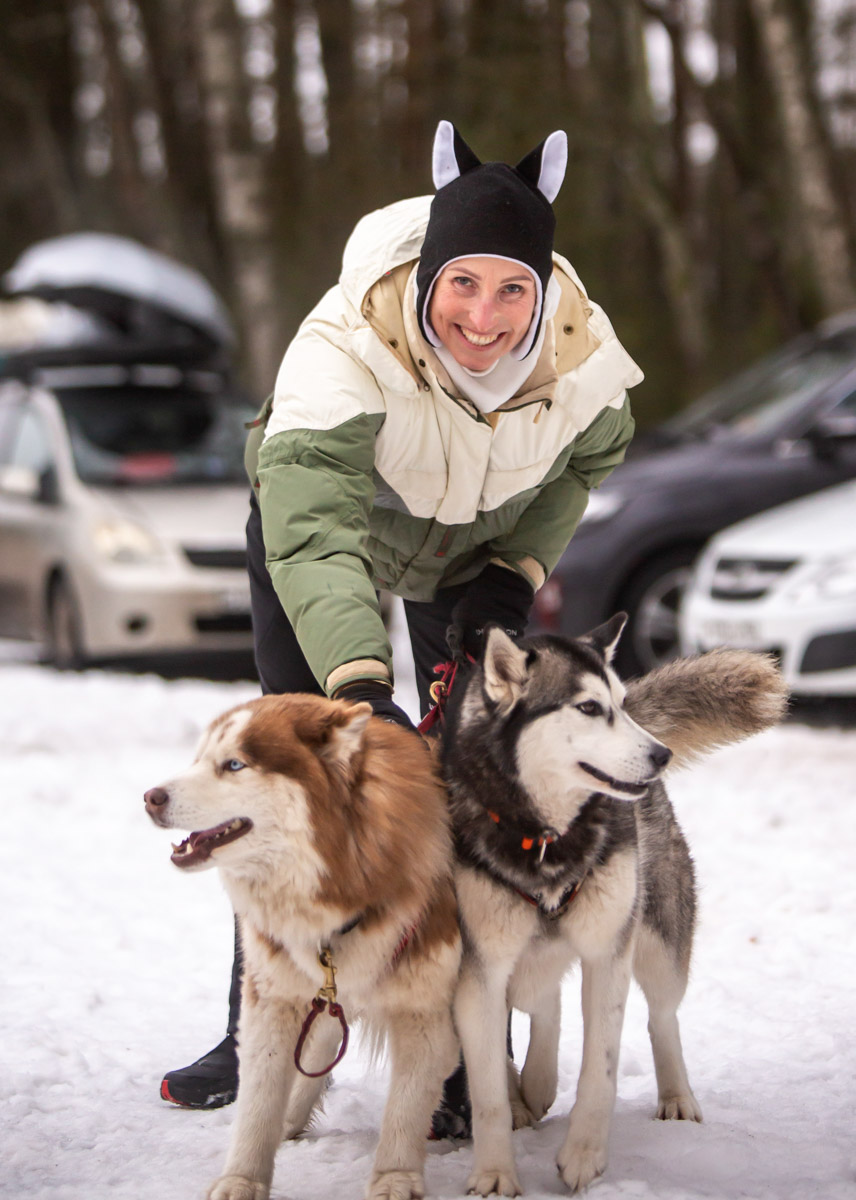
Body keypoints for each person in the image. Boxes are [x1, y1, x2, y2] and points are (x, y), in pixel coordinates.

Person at [160, 120, 643, 1131]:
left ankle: (468, 1056)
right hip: (315, 546)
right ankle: (261, 1025)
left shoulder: (580, 360)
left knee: (469, 783)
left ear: (543, 291)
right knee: (302, 770)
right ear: (426, 280)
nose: (486, 314)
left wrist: (510, 573)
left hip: (465, 557)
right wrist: (355, 683)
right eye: (463, 284)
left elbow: (589, 463)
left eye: (513, 288)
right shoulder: (341, 349)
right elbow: (314, 527)